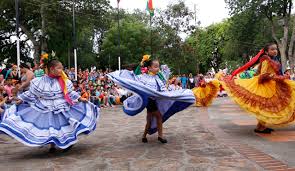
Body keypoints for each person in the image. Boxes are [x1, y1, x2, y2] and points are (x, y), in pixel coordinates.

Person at [0, 53, 100, 152]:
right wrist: (21, 98)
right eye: (59, 68)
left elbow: (69, 92)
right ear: (51, 69)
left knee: (65, 124)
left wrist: (79, 98)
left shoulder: (64, 81)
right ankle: (52, 145)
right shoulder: (40, 81)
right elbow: (32, 93)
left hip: (61, 105)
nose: (62, 70)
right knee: (50, 126)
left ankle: (68, 141)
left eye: (62, 68)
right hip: (45, 105)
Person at [108, 55, 195, 143]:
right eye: (155, 66)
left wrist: (172, 93)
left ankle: (144, 136)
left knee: (149, 120)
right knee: (158, 117)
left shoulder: (157, 77)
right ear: (149, 67)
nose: (157, 68)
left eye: (158, 66)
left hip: (153, 101)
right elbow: (136, 83)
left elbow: (163, 89)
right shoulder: (144, 77)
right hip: (149, 101)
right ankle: (160, 136)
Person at [222, 43, 295, 134]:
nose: (275, 51)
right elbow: (263, 75)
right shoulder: (266, 60)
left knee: (265, 107)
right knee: (264, 106)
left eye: (276, 49)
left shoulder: (274, 59)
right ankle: (261, 127)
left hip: (271, 84)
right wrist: (279, 77)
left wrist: (282, 77)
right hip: (265, 84)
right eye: (272, 49)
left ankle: (261, 126)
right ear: (266, 52)